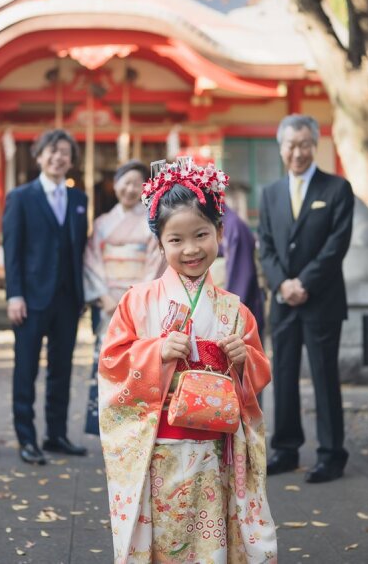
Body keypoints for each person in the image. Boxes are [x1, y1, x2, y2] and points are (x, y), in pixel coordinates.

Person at [98, 158, 277, 562]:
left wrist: (243, 359)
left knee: (210, 542)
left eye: (201, 235)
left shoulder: (234, 309)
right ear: (159, 243)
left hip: (215, 454)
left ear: (219, 232)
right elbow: (111, 362)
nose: (191, 249)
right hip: (159, 449)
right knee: (165, 540)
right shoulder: (137, 301)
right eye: (175, 240)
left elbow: (260, 371)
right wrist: (154, 352)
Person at [258, 114, 354, 483]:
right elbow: (265, 246)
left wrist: (305, 284)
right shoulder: (270, 194)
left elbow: (336, 246)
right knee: (282, 374)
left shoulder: (336, 190)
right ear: (281, 147)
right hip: (283, 302)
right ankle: (285, 448)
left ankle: (331, 454)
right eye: (290, 145)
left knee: (324, 376)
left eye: (304, 144)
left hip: (322, 300)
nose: (297, 152)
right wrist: (283, 284)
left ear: (315, 145)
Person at [3, 129, 88, 465]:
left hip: (67, 298)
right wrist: (15, 295)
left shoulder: (79, 200)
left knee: (61, 370)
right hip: (31, 298)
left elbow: (79, 248)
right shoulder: (21, 197)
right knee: (25, 370)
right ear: (39, 156)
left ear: (71, 159)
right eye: (52, 151)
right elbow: (13, 249)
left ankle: (56, 434)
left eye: (65, 152)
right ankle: (27, 438)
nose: (58, 157)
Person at [81, 160, 166, 436]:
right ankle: (106, 422)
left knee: (138, 361)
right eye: (125, 182)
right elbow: (92, 262)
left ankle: (138, 423)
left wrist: (134, 298)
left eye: (137, 184)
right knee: (109, 361)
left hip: (137, 303)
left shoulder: (151, 223)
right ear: (115, 184)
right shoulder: (103, 223)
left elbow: (155, 263)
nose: (130, 189)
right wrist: (104, 297)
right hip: (108, 305)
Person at [221, 182, 266, 340]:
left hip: (234, 307)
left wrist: (228, 317)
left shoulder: (233, 226)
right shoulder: (223, 223)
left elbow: (240, 277)